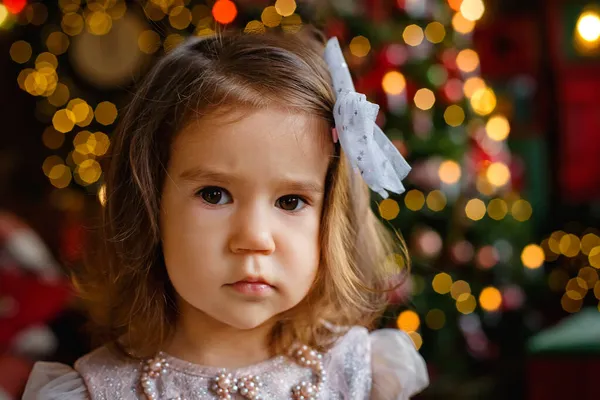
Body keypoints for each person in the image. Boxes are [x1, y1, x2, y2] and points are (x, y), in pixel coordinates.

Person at [22, 26, 429, 399]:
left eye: (290, 201)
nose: (254, 237)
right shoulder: (97, 391)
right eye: (214, 194)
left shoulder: (361, 374)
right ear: (149, 205)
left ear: (329, 220)